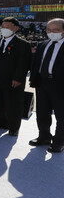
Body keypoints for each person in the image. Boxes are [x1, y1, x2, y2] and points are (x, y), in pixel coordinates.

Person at [0, 17, 32, 136]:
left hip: (13, 81)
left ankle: (13, 127)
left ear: (15, 28)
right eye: (3, 27)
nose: (4, 29)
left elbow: (23, 64)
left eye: (8, 27)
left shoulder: (23, 44)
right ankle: (1, 122)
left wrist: (18, 79)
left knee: (13, 105)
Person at [29, 18, 64, 153]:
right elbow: (36, 63)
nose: (51, 32)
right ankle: (44, 137)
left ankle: (59, 142)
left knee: (61, 116)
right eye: (49, 30)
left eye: (56, 30)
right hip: (42, 83)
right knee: (42, 112)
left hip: (60, 85)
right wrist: (33, 79)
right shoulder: (43, 44)